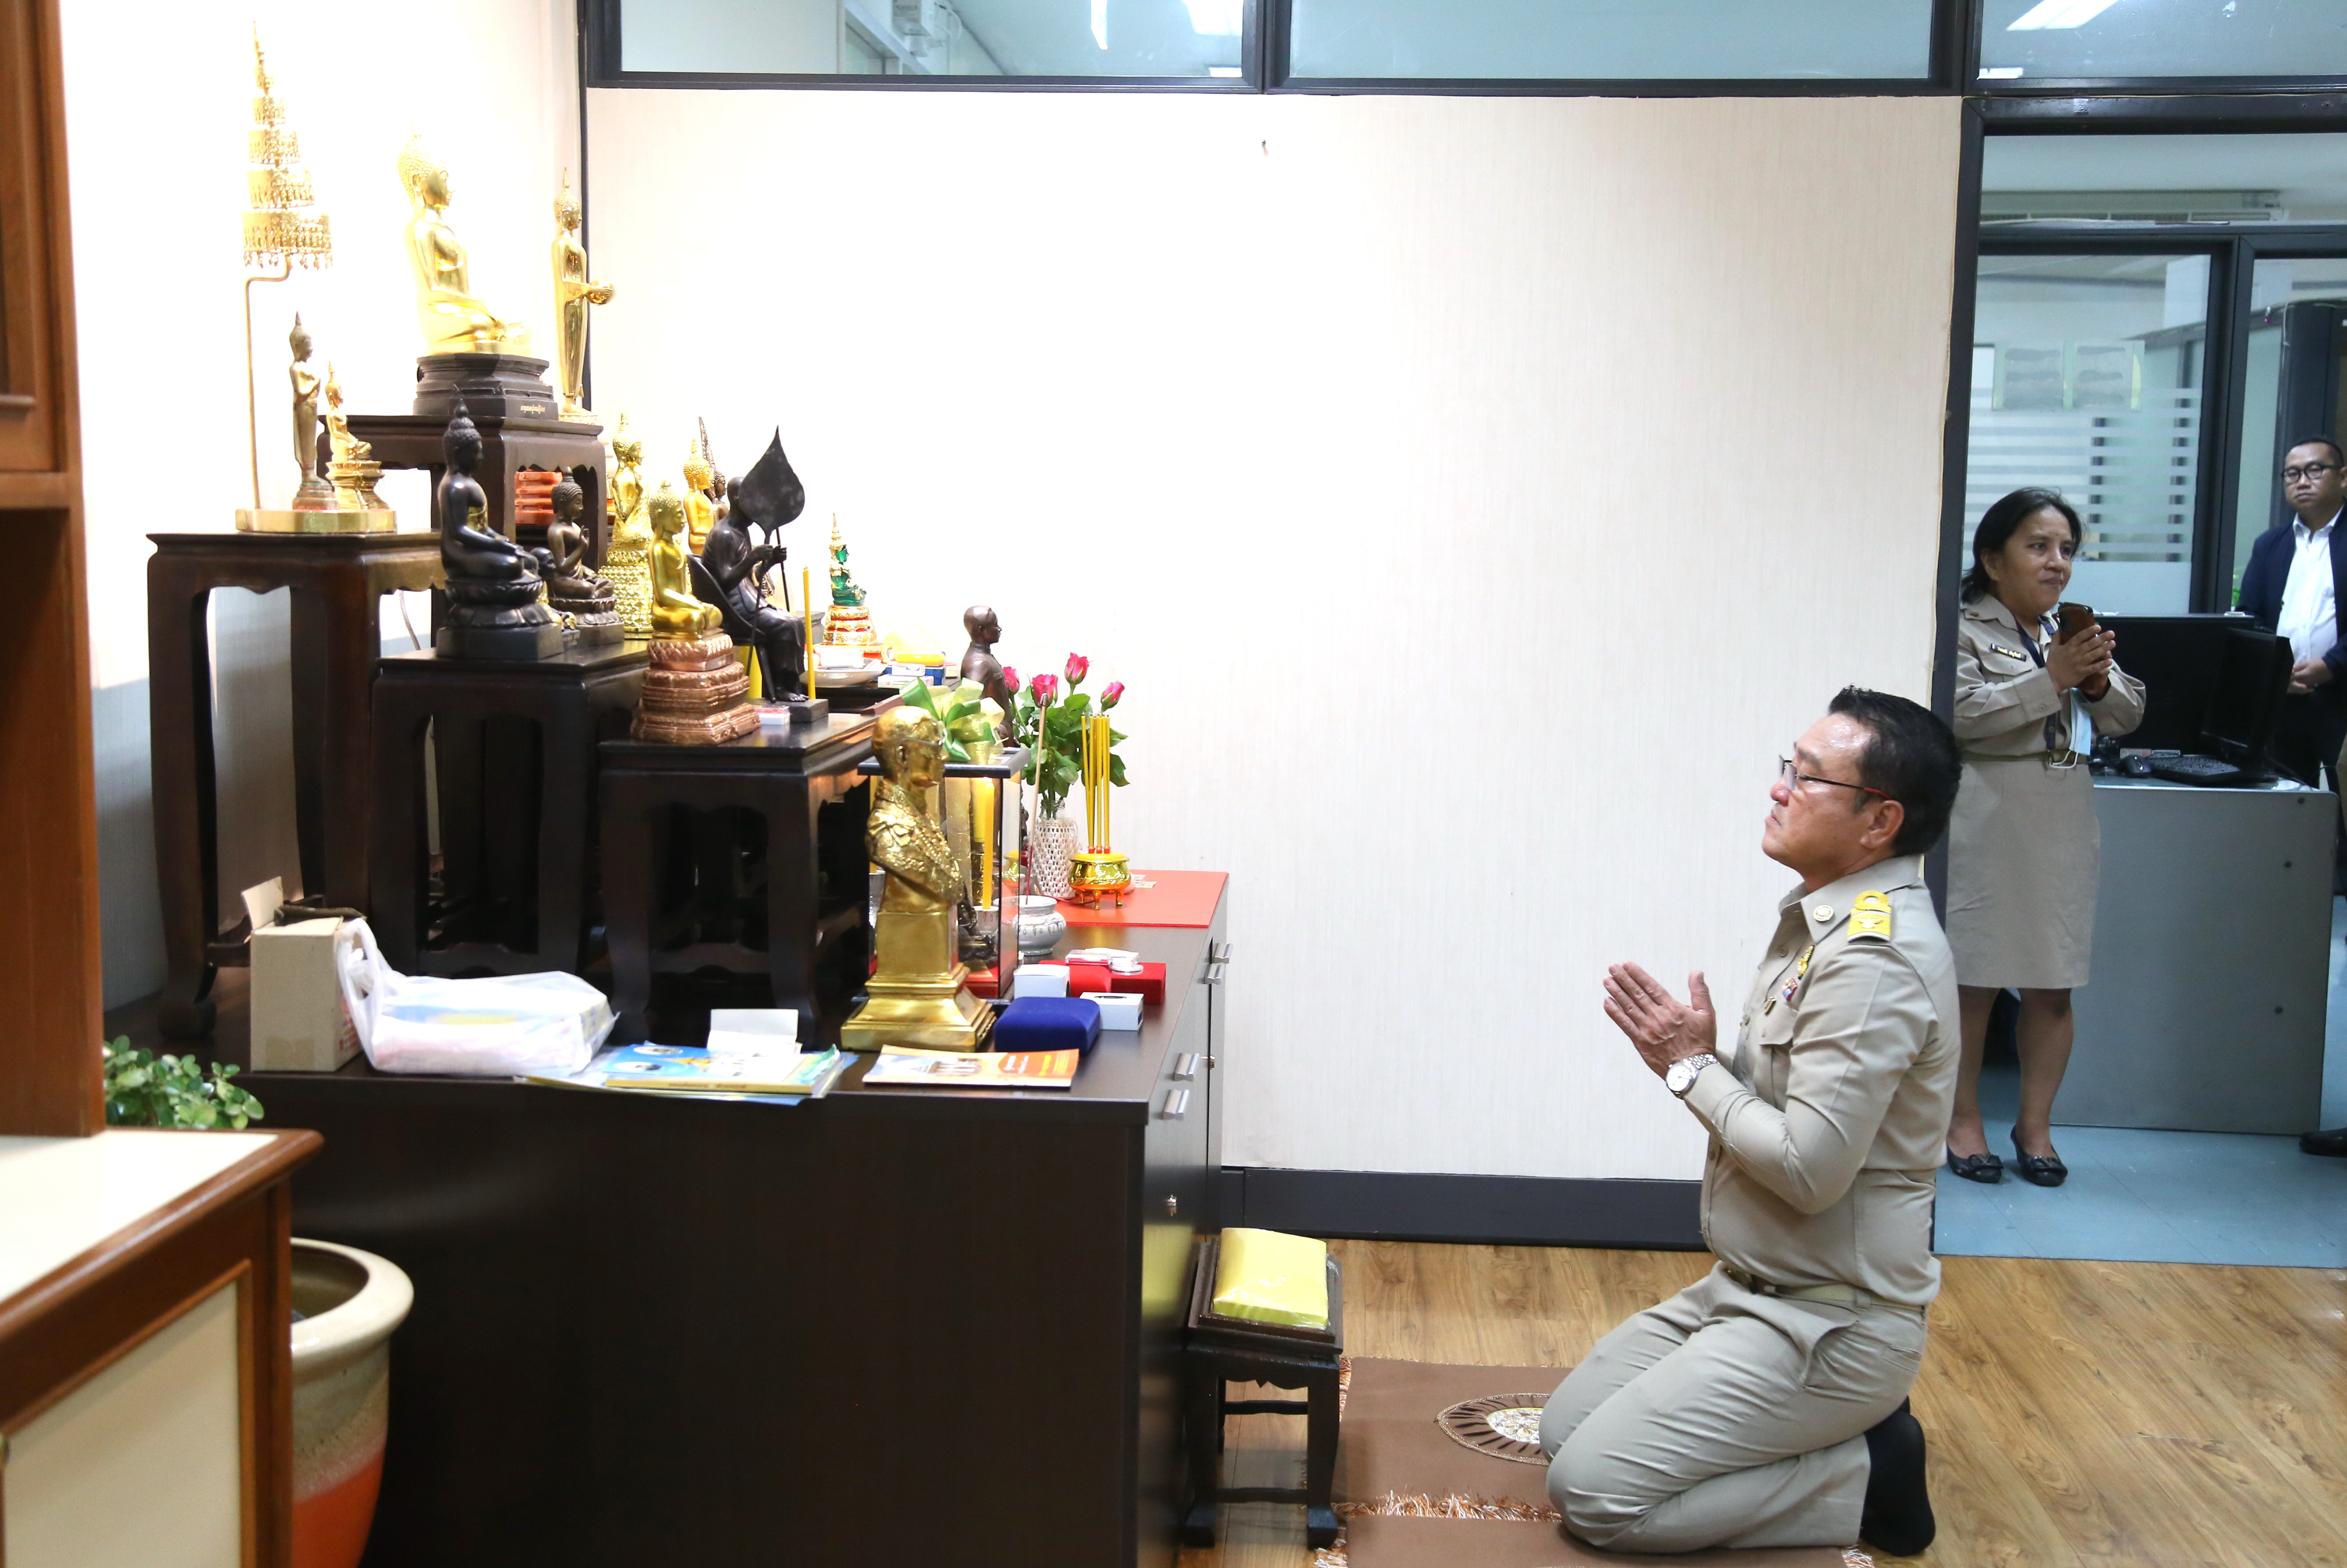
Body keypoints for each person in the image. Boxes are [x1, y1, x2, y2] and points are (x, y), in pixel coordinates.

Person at [1543, 688, 1962, 1558]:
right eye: (1788, 767)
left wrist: (1690, 1069)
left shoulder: (1873, 957)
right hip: (1745, 1289)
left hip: (1831, 1324)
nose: (1778, 789)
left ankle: (1865, 1475)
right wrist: (1703, 1060)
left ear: (1878, 820)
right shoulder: (1825, 921)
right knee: (1562, 1431)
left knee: (1594, 1493)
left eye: (1807, 777)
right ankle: (1824, 1437)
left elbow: (1808, 1170)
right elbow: (1789, 1105)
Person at [1943, 489, 2144, 1187]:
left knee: (2053, 985)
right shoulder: (1961, 626)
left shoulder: (2067, 628)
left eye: (2065, 549)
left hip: (2063, 814)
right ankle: (1962, 1121)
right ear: (1993, 559)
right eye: (2037, 546)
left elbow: (2128, 715)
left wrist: (2093, 680)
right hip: (1987, 814)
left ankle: (2035, 1126)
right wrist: (2049, 677)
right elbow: (1961, 716)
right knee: (1973, 984)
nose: (2056, 562)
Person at [2236, 437, 2347, 789]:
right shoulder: (2270, 544)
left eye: (2314, 470)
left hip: (2340, 695)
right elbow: (2249, 617)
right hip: (2284, 697)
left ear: (2342, 477)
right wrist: (2275, 670)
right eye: (2292, 474)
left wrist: (2331, 665)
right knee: (2288, 803)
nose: (2302, 481)